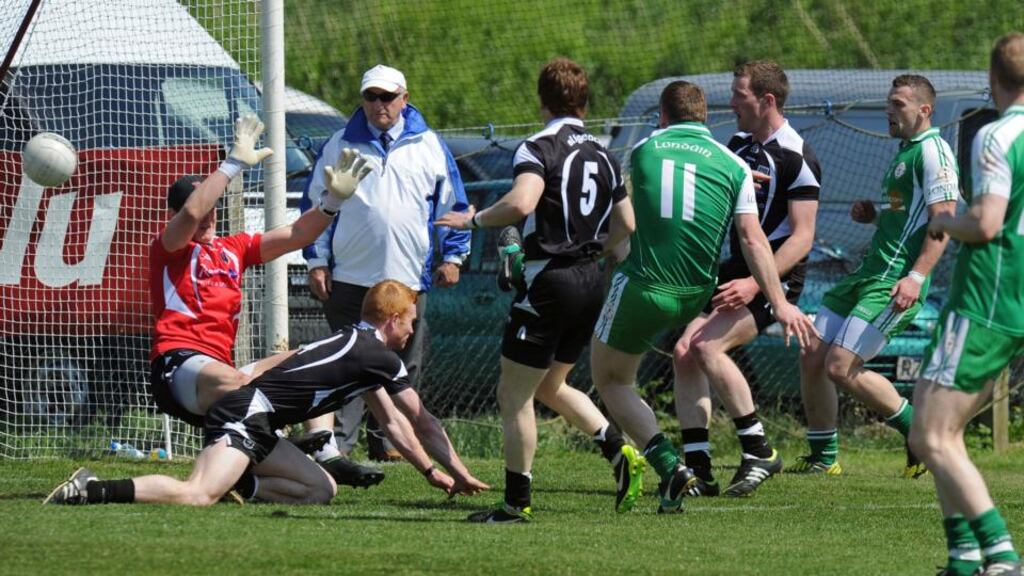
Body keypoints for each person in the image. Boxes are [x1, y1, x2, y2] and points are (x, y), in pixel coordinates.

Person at [45, 280, 487, 506]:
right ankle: (91, 489)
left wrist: (431, 472)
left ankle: (244, 482)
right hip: (243, 415)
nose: (412, 329)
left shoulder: (361, 348)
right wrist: (461, 473)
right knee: (197, 494)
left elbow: (393, 423)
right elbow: (421, 421)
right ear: (391, 318)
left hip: (256, 420)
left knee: (322, 490)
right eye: (409, 319)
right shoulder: (378, 355)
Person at [589, 80, 816, 514]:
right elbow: (753, 240)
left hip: (644, 287)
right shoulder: (732, 164)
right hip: (696, 292)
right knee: (686, 351)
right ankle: (699, 463)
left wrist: (602, 249)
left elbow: (624, 218)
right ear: (705, 117)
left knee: (611, 380)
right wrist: (781, 302)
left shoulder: (645, 148)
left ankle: (670, 464)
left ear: (662, 115)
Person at [438, 58, 643, 523]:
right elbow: (627, 224)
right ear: (585, 102)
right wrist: (592, 251)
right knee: (552, 385)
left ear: (542, 101)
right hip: (591, 280)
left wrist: (473, 220)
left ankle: (515, 503)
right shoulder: (605, 154)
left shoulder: (539, 145)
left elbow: (521, 202)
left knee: (513, 396)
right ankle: (618, 451)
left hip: (550, 280)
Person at [145, 115, 385, 487]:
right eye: (199, 210)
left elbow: (296, 234)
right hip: (179, 365)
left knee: (311, 359)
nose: (207, 216)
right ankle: (276, 432)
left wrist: (332, 202)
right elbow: (192, 211)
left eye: (213, 209)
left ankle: (319, 455)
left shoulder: (233, 248)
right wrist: (232, 164)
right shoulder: (170, 249)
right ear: (172, 216)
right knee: (238, 382)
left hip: (227, 375)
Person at [300, 64, 471, 464]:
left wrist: (454, 255)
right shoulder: (340, 143)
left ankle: (392, 441)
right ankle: (339, 445)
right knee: (346, 361)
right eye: (371, 96)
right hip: (349, 276)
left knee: (401, 363)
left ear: (404, 99)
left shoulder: (429, 144)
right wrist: (317, 261)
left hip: (408, 277)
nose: (379, 104)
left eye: (387, 97)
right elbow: (316, 205)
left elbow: (454, 206)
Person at [795, 74, 960, 477]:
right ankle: (823, 458)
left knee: (839, 366)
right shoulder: (905, 151)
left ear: (925, 110)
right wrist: (876, 217)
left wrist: (916, 278)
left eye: (898, 104)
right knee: (812, 353)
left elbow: (944, 220)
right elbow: (910, 219)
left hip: (893, 282)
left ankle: (919, 434)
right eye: (888, 103)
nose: (889, 110)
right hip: (867, 274)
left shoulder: (934, 152)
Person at [672, 61, 821, 497]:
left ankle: (759, 450)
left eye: (739, 95)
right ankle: (698, 467)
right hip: (735, 271)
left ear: (766, 100)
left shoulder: (797, 155)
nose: (731, 103)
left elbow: (804, 237)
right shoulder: (738, 145)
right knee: (683, 353)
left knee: (706, 346)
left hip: (775, 277)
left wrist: (759, 285)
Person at [909, 33, 1024, 576]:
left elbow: (986, 223)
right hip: (1013, 298)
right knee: (940, 433)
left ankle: (1000, 555)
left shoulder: (996, 135)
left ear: (992, 75)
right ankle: (963, 557)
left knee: (930, 434)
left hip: (984, 295)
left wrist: (943, 221)